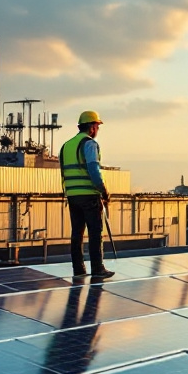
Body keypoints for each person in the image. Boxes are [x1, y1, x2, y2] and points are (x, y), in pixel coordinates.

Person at [60, 110, 114, 279]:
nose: (97, 130)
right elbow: (93, 168)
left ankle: (79, 269)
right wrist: (103, 190)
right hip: (89, 194)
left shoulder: (66, 146)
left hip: (72, 196)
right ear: (91, 127)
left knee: (77, 233)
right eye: (97, 126)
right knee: (95, 232)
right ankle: (98, 268)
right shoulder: (89, 144)